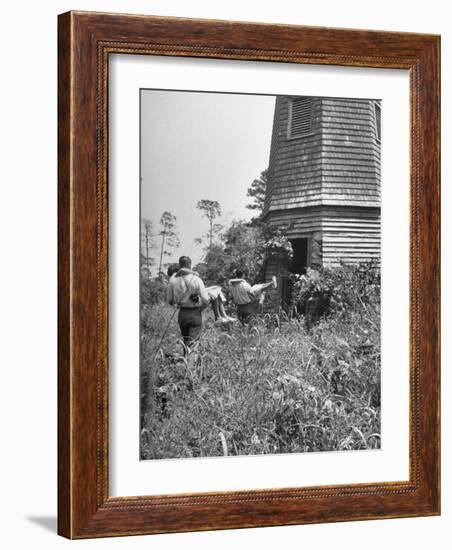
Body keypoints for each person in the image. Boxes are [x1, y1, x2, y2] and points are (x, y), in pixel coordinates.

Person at [166, 256, 210, 352]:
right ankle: (190, 366)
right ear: (190, 265)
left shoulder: (173, 281)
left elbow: (170, 301)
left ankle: (184, 362)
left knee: (186, 341)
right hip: (194, 313)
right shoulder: (197, 279)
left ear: (180, 264)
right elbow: (206, 300)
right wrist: (200, 307)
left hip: (182, 314)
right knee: (193, 344)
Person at [167, 264, 235, 324]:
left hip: (183, 309)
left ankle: (222, 316)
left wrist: (179, 304)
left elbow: (170, 300)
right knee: (215, 290)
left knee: (216, 290)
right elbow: (205, 299)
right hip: (193, 304)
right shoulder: (179, 278)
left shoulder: (173, 280)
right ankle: (220, 316)